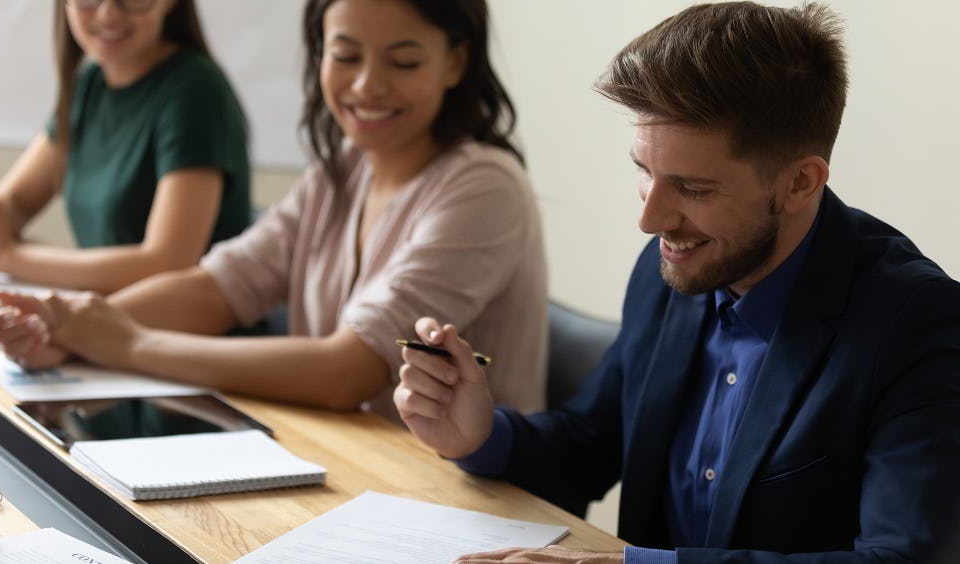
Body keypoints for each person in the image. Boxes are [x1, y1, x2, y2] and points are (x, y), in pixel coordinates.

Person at [393, 2, 960, 562]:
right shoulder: (673, 266)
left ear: (800, 183)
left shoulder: (916, 320)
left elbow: (903, 558)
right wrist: (480, 436)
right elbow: (591, 443)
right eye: (644, 171)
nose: (650, 220)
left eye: (693, 188)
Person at [0, 0, 547, 419]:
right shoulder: (343, 167)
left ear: (455, 63)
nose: (367, 85)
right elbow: (216, 287)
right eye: (345, 56)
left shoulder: (484, 188)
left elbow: (346, 372)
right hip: (347, 461)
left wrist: (126, 341)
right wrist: (72, 333)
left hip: (459, 499)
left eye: (402, 62)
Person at [0, 0, 250, 294]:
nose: (108, 14)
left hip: (182, 335)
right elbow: (14, 204)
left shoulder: (196, 91)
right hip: (107, 324)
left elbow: (167, 264)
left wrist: (8, 257)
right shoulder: (90, 82)